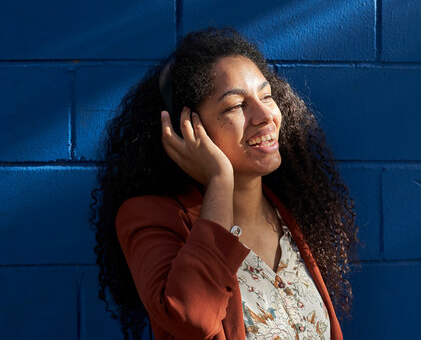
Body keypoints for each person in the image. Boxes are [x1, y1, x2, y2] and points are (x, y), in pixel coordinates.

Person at [90, 27, 357, 340]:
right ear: (187, 129)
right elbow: (192, 318)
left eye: (267, 96)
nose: (264, 116)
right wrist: (219, 180)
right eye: (235, 106)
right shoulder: (150, 216)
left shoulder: (288, 212)